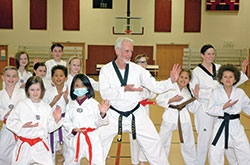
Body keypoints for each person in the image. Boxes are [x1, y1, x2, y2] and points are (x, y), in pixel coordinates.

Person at [98, 37, 181, 165]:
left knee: (155, 142)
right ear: (117, 50)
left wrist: (171, 81)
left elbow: (154, 86)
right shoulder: (106, 70)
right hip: (114, 115)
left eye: (131, 51)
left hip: (136, 114)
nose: (129, 55)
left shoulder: (138, 70)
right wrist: (124, 89)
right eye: (126, 51)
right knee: (98, 143)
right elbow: (105, 93)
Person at [191, 44, 249, 164]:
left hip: (223, 106)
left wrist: (242, 73)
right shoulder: (196, 72)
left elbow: (229, 84)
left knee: (224, 138)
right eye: (208, 54)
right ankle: (199, 163)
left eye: (213, 53)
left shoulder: (219, 67)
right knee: (205, 138)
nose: (211, 56)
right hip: (205, 108)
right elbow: (196, 93)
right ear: (202, 55)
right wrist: (213, 92)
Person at [6, 76, 63, 165]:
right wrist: (22, 125)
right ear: (27, 90)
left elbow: (50, 128)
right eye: (32, 89)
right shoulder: (21, 105)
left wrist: (57, 119)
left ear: (42, 90)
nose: (35, 93)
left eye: (38, 89)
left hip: (40, 144)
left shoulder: (46, 107)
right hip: (25, 144)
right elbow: (10, 122)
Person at [206, 64, 250, 164]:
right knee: (215, 153)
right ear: (221, 79)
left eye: (231, 77)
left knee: (245, 152)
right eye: (225, 77)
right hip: (220, 125)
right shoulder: (216, 92)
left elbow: (248, 107)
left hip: (236, 126)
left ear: (235, 79)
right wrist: (223, 107)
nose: (228, 79)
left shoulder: (240, 92)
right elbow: (209, 109)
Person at [63, 74, 110, 165]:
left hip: (91, 138)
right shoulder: (70, 105)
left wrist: (103, 113)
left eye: (83, 85)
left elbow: (99, 122)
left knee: (97, 161)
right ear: (72, 88)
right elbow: (66, 121)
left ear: (88, 87)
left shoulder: (93, 103)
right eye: (76, 85)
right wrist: (73, 129)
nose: (80, 88)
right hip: (76, 138)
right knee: (71, 161)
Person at [156, 69, 199, 165]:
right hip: (169, 117)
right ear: (177, 77)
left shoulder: (188, 92)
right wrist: (171, 100)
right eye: (181, 77)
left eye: (186, 78)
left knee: (188, 143)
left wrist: (196, 98)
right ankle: (160, 162)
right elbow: (158, 99)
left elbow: (192, 109)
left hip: (183, 118)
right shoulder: (169, 88)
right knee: (163, 141)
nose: (183, 80)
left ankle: (192, 163)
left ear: (189, 80)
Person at [130, 53, 156, 165]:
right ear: (136, 64)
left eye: (145, 62)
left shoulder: (149, 76)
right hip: (132, 108)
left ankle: (142, 160)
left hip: (145, 108)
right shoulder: (130, 76)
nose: (143, 64)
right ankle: (135, 161)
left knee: (145, 135)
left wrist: (147, 93)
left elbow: (153, 93)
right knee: (134, 136)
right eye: (141, 62)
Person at [0, 66, 26, 164]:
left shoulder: (23, 93)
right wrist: (7, 113)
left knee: (20, 154)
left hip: (21, 128)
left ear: (18, 78)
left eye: (14, 76)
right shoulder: (0, 94)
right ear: (3, 77)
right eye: (8, 76)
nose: (11, 79)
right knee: (2, 153)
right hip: (6, 128)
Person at [43, 65, 68, 163]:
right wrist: (53, 102)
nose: (58, 78)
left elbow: (74, 109)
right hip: (51, 122)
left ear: (65, 77)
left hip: (65, 122)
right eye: (56, 75)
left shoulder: (69, 90)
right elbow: (43, 109)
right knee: (51, 148)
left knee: (68, 148)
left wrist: (66, 100)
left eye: (61, 75)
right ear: (52, 77)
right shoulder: (47, 92)